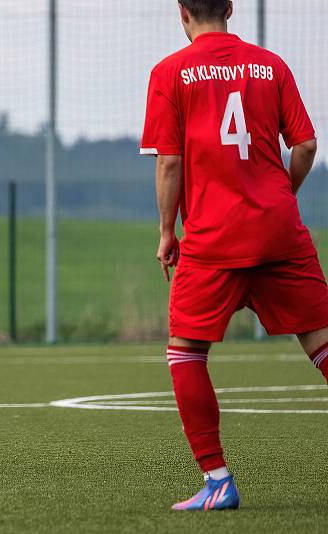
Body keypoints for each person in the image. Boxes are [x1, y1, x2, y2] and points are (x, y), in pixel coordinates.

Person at [141, 0, 328, 511]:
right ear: (229, 8)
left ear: (183, 12)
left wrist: (165, 232)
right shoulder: (271, 66)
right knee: (322, 344)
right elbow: (307, 146)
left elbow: (171, 163)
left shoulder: (170, 73)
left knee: (186, 352)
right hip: (278, 230)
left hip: (213, 239)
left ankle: (218, 481)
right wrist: (280, 196)